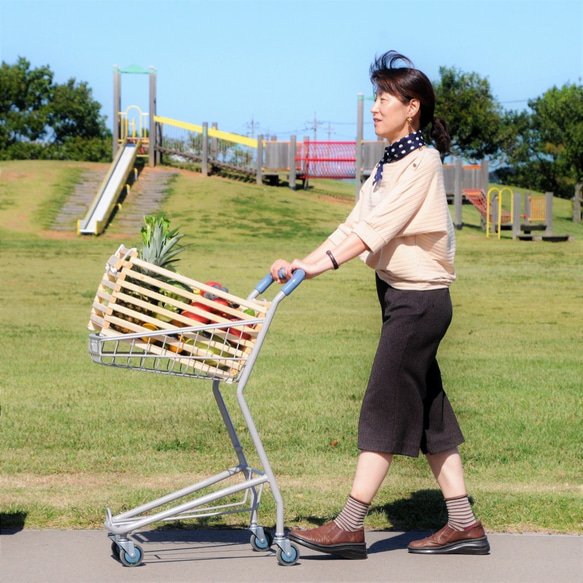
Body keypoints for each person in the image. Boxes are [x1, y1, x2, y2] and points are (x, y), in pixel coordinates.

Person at [270, 51, 490, 560]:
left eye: (384, 98)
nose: (374, 107)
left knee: (383, 403)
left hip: (419, 302)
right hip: (400, 298)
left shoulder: (423, 161)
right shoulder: (388, 163)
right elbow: (352, 225)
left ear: (411, 107)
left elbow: (376, 232)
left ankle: (348, 526)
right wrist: (302, 262)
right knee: (431, 414)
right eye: (375, 97)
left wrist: (319, 267)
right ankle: (464, 524)